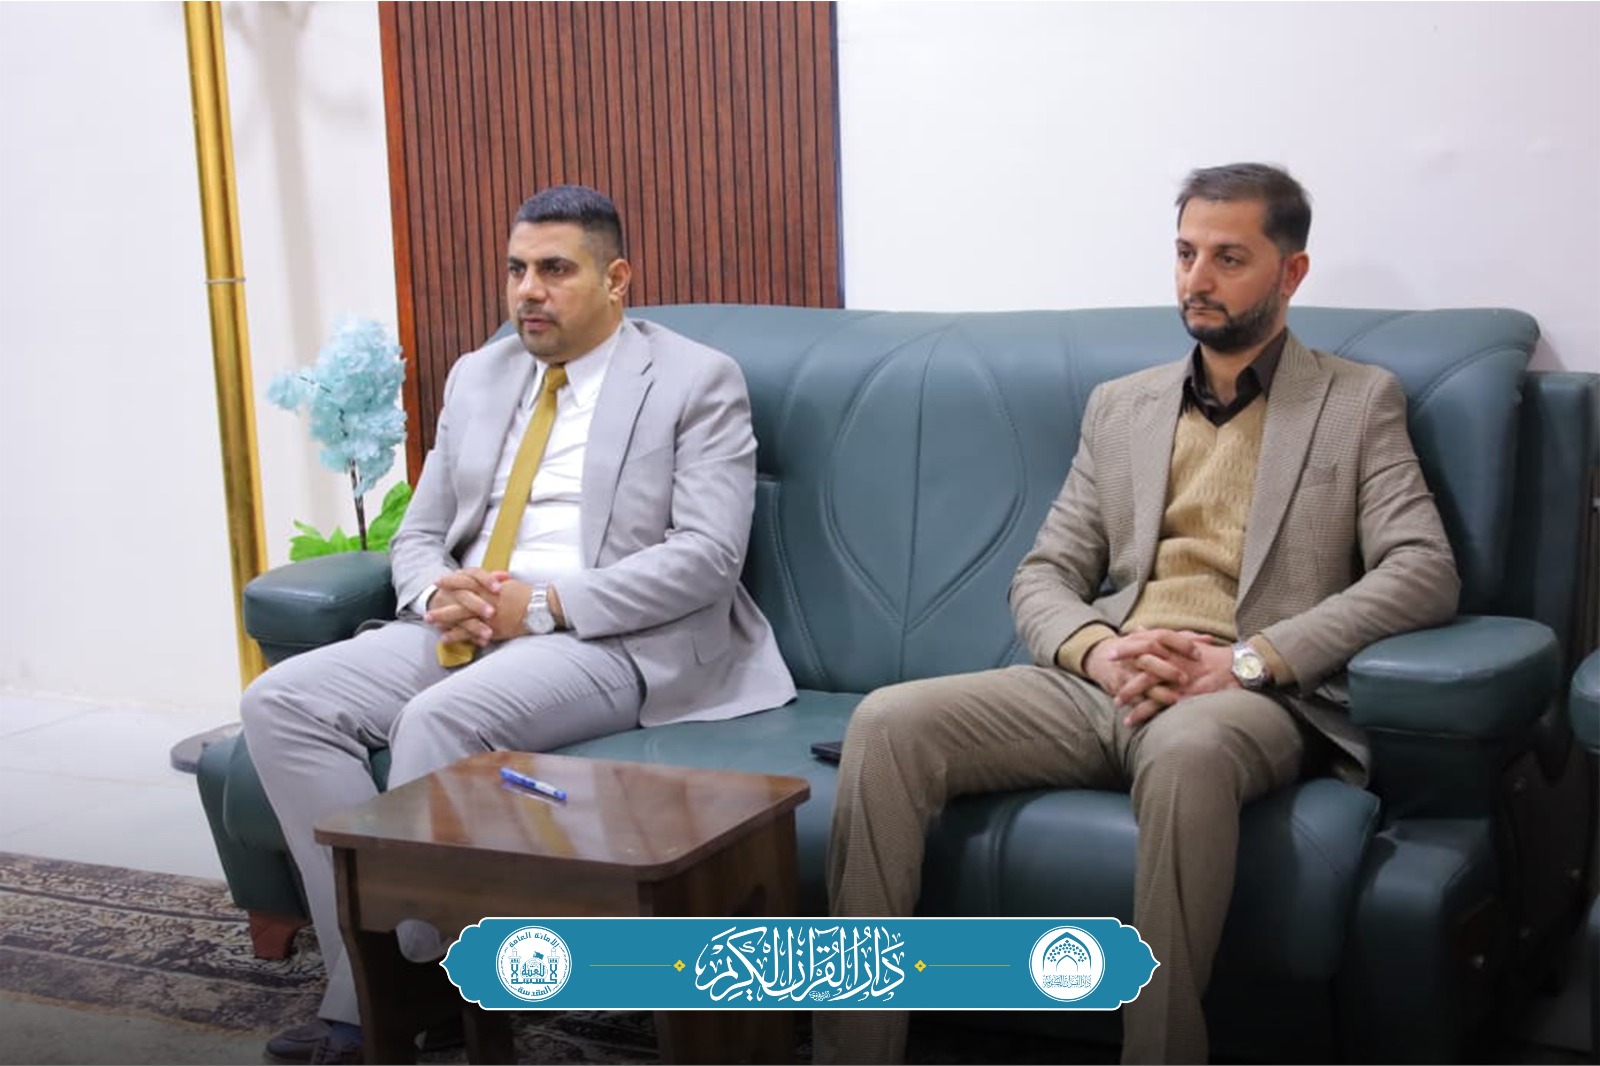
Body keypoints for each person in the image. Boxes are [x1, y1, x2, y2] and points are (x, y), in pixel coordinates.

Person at [815, 163, 1459, 1065]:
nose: (1197, 279)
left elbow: (1423, 569)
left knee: (1189, 753)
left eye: (1229, 258)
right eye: (1186, 253)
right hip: (1106, 678)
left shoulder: (1356, 402)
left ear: (1291, 272)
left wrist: (1249, 661)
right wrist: (1096, 651)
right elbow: (1045, 572)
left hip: (1248, 694)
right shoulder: (1122, 407)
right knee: (887, 722)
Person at [240, 184, 796, 1064]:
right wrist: (438, 593)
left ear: (616, 279)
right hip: (469, 621)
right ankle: (396, 974)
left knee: (440, 717)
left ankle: (378, 1001)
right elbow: (419, 533)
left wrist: (540, 604)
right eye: (516, 269)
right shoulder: (480, 373)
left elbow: (706, 556)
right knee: (280, 700)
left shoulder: (695, 379)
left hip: (607, 635)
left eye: (555, 269)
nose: (528, 290)